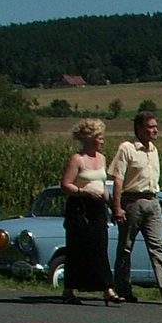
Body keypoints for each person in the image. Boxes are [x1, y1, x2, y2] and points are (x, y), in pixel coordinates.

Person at [108, 110, 162, 303]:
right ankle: (123, 288)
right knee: (126, 247)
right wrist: (117, 207)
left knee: (157, 246)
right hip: (132, 201)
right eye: (150, 127)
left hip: (153, 200)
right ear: (139, 129)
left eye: (156, 126)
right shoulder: (127, 148)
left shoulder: (153, 150)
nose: (155, 130)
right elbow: (118, 179)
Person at [60, 118, 119, 305]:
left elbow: (103, 185)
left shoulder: (101, 159)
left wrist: (114, 207)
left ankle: (107, 289)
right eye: (100, 138)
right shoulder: (77, 159)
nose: (102, 141)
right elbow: (65, 185)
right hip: (80, 207)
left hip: (98, 208)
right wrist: (83, 191)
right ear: (90, 139)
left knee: (100, 246)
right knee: (77, 248)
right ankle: (69, 289)